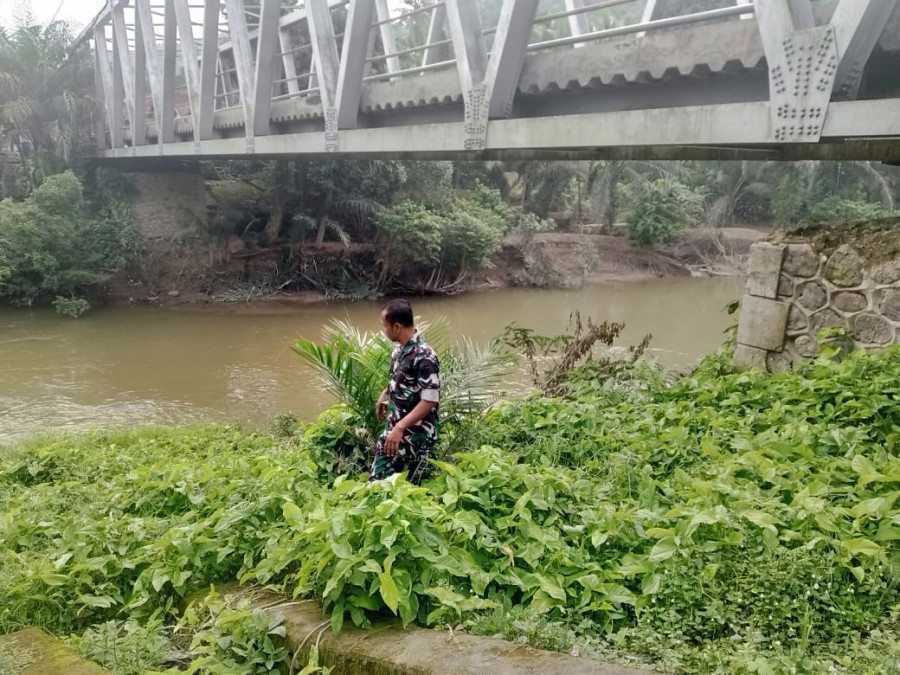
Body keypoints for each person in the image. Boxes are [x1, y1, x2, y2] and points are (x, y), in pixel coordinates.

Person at [370, 299, 440, 485]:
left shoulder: (425, 356)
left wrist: (400, 427)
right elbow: (401, 381)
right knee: (383, 486)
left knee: (409, 491)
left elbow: (430, 399)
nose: (384, 331)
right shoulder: (399, 352)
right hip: (395, 432)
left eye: (385, 326)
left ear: (397, 327)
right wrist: (383, 397)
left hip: (416, 436)